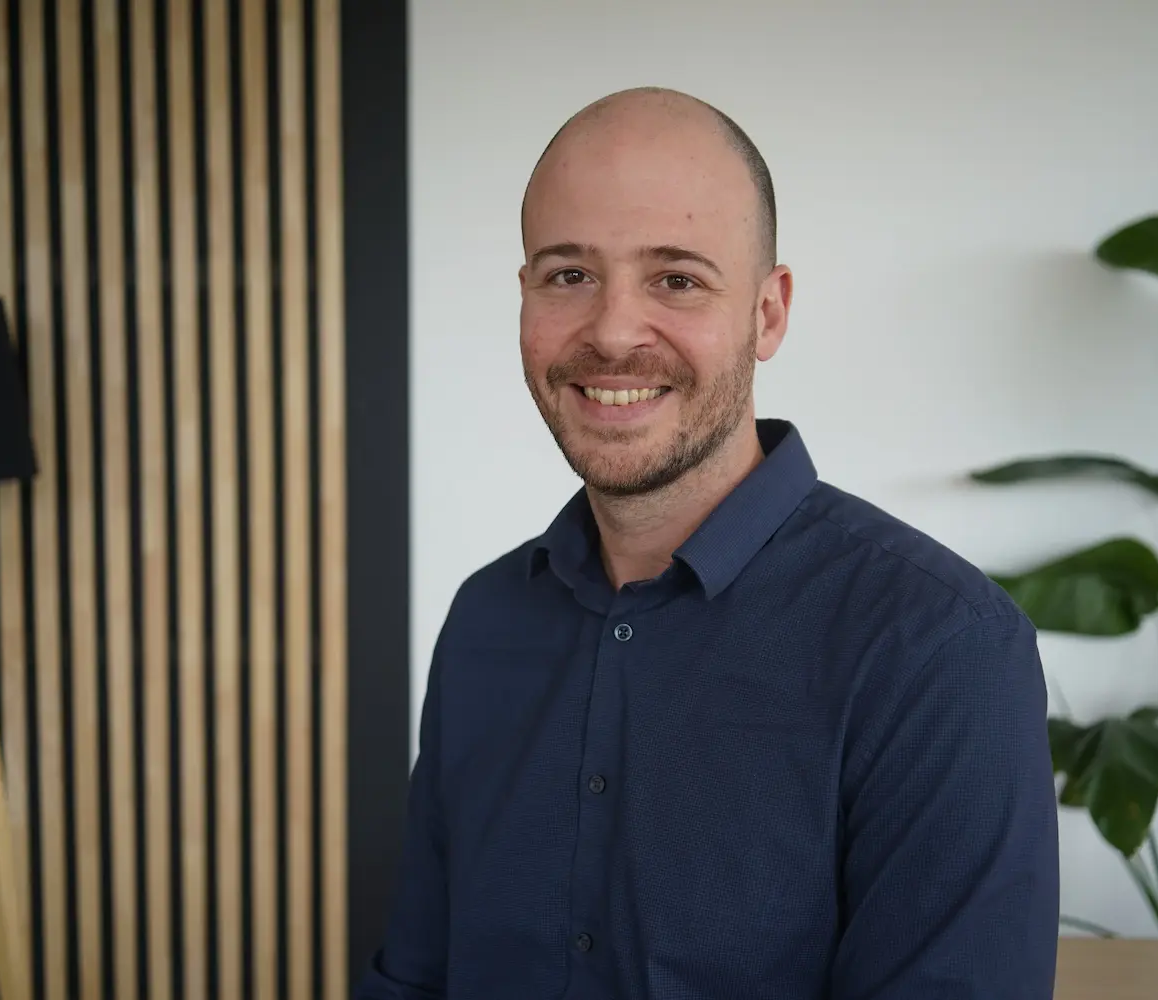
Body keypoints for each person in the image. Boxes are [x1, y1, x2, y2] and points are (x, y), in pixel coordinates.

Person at [356, 86, 1059, 999]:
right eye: (568, 274)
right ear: (524, 295)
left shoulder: (938, 651)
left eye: (677, 278)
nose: (611, 331)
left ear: (768, 314)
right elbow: (413, 980)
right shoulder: (485, 621)